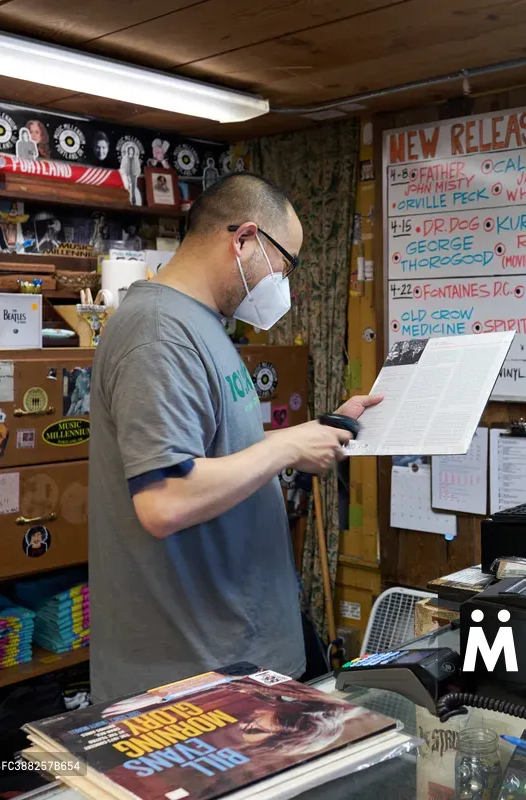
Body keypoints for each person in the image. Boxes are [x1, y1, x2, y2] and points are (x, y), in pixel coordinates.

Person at [89, 172, 382, 701]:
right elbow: (165, 501)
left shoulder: (202, 324)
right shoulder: (158, 332)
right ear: (243, 239)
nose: (283, 284)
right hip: (191, 675)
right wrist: (287, 446)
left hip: (239, 655)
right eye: (284, 265)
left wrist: (315, 432)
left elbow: (222, 456)